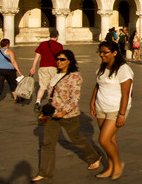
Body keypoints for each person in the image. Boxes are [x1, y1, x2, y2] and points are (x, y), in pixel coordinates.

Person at [32, 49, 102, 181]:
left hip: (69, 115)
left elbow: (75, 97)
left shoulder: (75, 77)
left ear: (70, 61)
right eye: (57, 59)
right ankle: (44, 172)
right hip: (52, 113)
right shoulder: (56, 74)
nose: (59, 62)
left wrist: (64, 111)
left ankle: (94, 157)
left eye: (62, 59)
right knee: (48, 143)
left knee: (76, 139)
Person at [90, 40, 133, 180]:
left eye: (105, 52)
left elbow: (126, 94)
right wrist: (92, 102)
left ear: (115, 53)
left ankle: (118, 164)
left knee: (103, 140)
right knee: (110, 140)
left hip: (116, 109)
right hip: (101, 107)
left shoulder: (123, 69)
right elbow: (98, 85)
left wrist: (122, 114)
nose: (102, 55)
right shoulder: (103, 67)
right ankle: (110, 167)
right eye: (100, 52)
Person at [29, 28, 64, 112]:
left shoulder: (43, 44)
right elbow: (61, 58)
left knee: (42, 87)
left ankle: (38, 102)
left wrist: (33, 67)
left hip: (43, 67)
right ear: (57, 36)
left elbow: (37, 56)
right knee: (54, 85)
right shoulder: (59, 45)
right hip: (54, 67)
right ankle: (51, 101)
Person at [0, 38, 23, 108]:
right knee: (13, 84)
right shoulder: (9, 51)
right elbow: (13, 61)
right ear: (7, 44)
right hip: (9, 70)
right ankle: (16, 98)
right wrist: (18, 71)